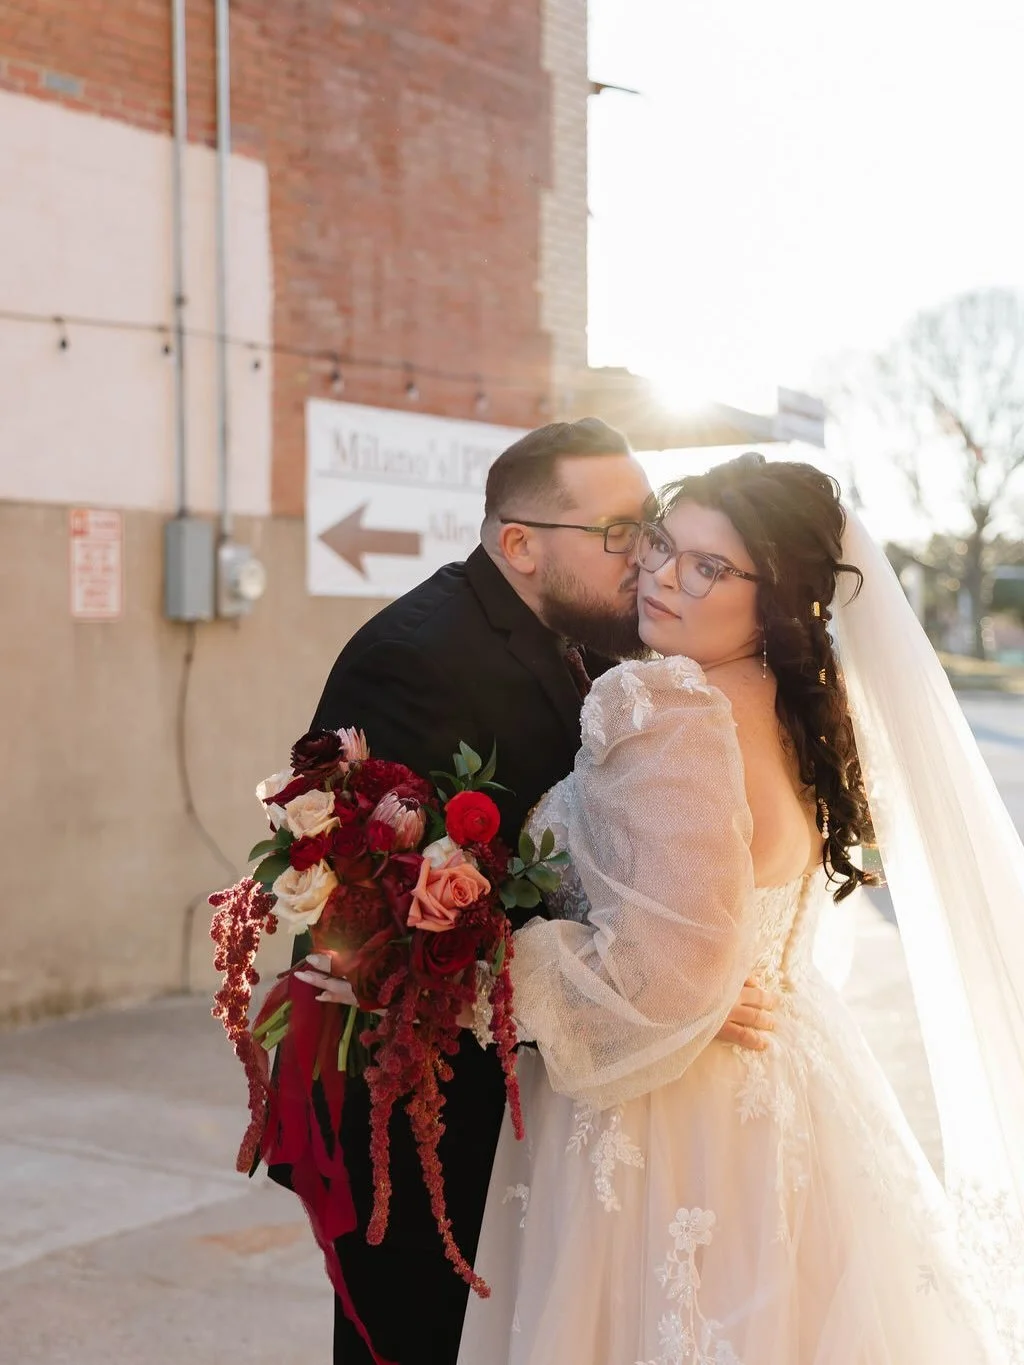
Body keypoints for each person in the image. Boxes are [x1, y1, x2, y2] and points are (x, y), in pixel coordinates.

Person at [456, 453, 1024, 1364]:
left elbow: (657, 975)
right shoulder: (798, 705)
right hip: (794, 1084)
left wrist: (473, 969)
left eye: (709, 567)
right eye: (664, 547)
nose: (665, 578)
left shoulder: (662, 702)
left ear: (775, 597)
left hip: (667, 1115)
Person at [286, 420, 776, 1365]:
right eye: (622, 533)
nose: (648, 559)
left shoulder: (588, 636)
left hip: (529, 1091)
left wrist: (666, 973)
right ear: (519, 544)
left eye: (654, 528)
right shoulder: (417, 658)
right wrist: (660, 990)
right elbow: (380, 924)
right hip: (418, 1104)